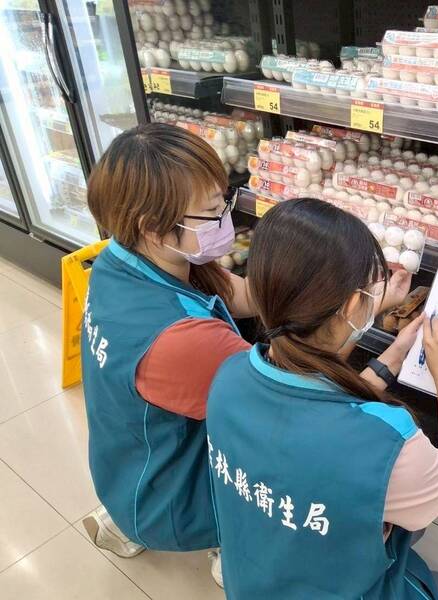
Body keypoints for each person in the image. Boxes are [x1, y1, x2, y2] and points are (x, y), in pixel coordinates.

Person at [206, 198, 438, 599]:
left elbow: (314, 407)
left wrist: (385, 345)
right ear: (353, 304)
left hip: (251, 579)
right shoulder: (387, 445)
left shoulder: (229, 375)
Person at [79, 123, 254, 581]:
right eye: (212, 212)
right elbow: (277, 414)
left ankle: (124, 520)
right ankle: (231, 547)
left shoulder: (119, 259)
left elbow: (239, 295)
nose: (225, 221)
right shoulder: (182, 340)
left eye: (224, 201)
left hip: (123, 468)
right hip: (170, 502)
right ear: (154, 228)